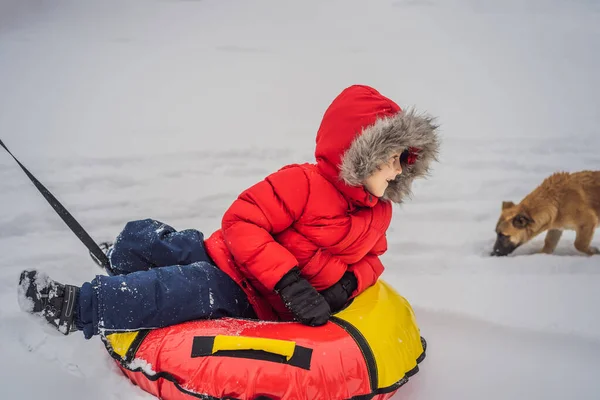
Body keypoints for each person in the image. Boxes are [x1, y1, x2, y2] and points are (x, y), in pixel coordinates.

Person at [17, 84, 440, 339]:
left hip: (247, 296)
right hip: (231, 257)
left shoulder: (378, 214)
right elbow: (242, 220)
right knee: (161, 241)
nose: (397, 167)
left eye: (404, 158)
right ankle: (102, 276)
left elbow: (373, 260)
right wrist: (290, 281)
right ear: (358, 153)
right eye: (389, 156)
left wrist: (342, 289)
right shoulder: (304, 183)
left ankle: (83, 302)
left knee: (182, 286)